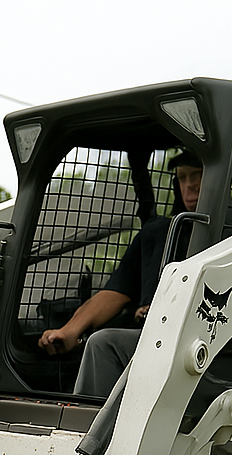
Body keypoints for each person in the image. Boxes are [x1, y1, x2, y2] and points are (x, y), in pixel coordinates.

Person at [37, 151, 204, 398]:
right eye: (182, 177)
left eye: (197, 174)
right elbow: (115, 293)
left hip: (203, 345)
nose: (189, 184)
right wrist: (69, 331)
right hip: (157, 341)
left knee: (103, 345)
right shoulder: (159, 234)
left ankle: (89, 432)